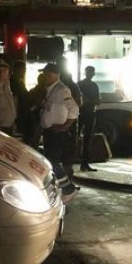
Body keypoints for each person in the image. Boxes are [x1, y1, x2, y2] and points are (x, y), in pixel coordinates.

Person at [38, 63, 79, 203]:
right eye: (45, 74)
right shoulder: (50, 89)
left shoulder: (62, 90)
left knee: (53, 162)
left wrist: (65, 127)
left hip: (57, 133)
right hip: (49, 132)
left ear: (57, 75)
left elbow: (74, 109)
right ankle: (63, 189)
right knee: (51, 161)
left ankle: (68, 189)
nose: (46, 77)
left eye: (49, 74)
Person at [77, 65, 101, 172]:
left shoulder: (79, 84)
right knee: (87, 139)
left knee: (80, 138)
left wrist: (87, 100)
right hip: (88, 113)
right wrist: (91, 101)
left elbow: (97, 101)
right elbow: (97, 101)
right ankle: (84, 163)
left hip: (82, 113)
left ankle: (79, 162)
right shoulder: (93, 86)